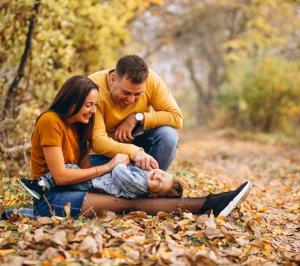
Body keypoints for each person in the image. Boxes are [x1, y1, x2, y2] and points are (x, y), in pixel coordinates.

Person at [28, 75, 252, 219]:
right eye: (88, 105)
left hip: (75, 190)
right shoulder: (51, 121)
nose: (93, 111)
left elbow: (82, 166)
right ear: (71, 101)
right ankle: (208, 205)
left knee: (131, 195)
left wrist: (122, 169)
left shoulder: (78, 125)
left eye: (95, 105)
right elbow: (61, 176)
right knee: (132, 203)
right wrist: (110, 166)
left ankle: (213, 201)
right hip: (50, 199)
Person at [88, 55, 183, 171]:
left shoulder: (151, 80)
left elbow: (176, 117)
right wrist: (134, 152)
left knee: (168, 135)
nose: (131, 100)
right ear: (113, 79)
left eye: (138, 94)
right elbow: (97, 141)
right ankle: (134, 181)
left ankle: (150, 183)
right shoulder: (92, 88)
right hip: (102, 155)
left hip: (138, 146)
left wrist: (138, 118)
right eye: (126, 93)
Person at [20, 162, 183, 199]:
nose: (158, 175)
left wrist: (121, 162)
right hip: (96, 180)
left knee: (70, 171)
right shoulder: (145, 178)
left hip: (94, 183)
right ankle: (44, 187)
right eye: (162, 173)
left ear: (155, 193)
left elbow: (119, 174)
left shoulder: (140, 185)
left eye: (160, 182)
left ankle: (40, 186)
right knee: (70, 170)